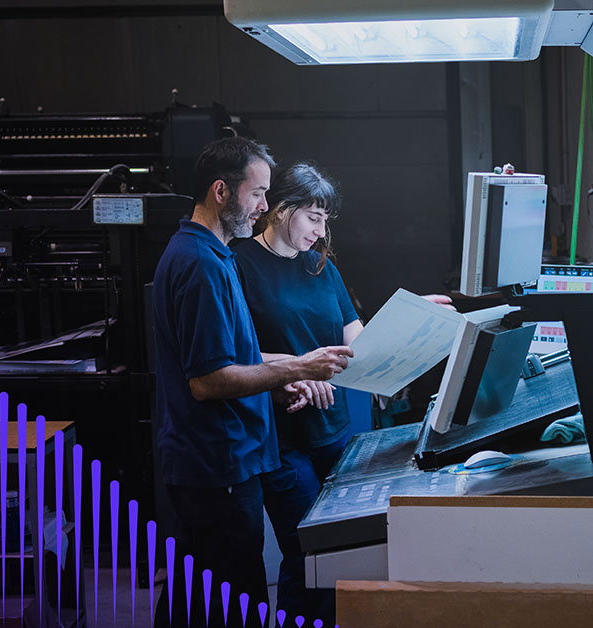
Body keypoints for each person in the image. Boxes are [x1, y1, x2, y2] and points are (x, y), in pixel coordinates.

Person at [233, 162, 453, 625]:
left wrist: (414, 318)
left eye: (326, 220)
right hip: (280, 438)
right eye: (313, 216)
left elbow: (359, 345)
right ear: (279, 208)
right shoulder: (238, 263)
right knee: (306, 555)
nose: (320, 229)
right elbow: (235, 354)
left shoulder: (320, 267)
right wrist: (295, 367)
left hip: (333, 433)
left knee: (340, 558)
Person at [151, 140, 354, 628]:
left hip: (227, 457)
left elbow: (237, 355)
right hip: (219, 459)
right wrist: (297, 370)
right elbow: (208, 379)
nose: (264, 206)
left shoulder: (209, 256)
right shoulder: (205, 265)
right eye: (259, 193)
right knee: (230, 599)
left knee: (199, 594)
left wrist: (292, 368)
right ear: (222, 192)